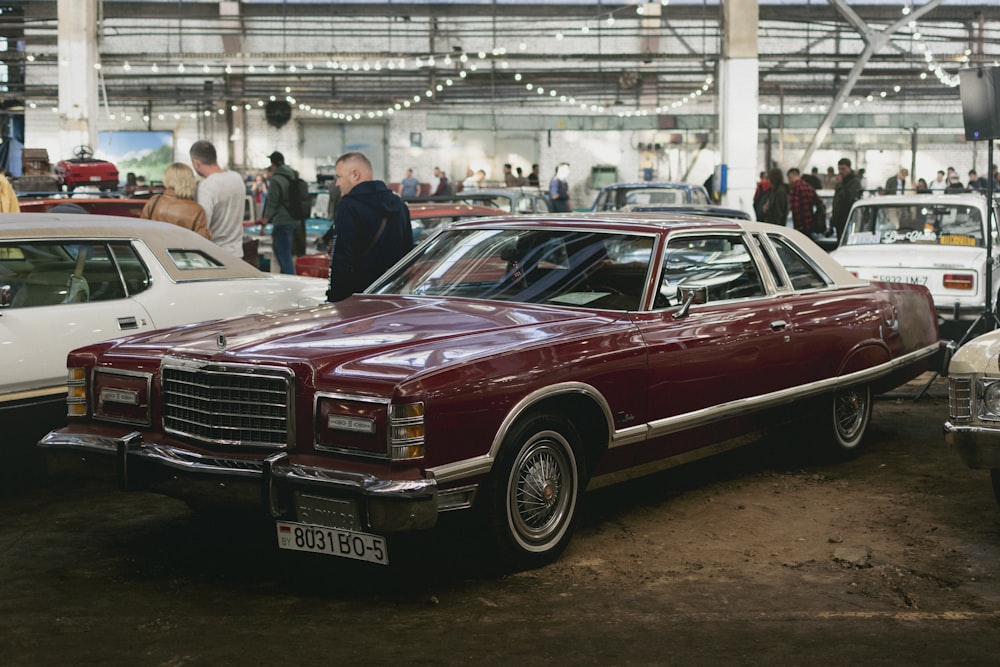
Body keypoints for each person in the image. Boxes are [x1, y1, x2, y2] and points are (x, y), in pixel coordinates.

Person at [327, 152, 413, 302]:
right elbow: (408, 255)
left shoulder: (349, 206)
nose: (337, 184)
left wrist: (336, 299)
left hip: (358, 298)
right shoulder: (399, 205)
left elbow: (342, 258)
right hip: (391, 296)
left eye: (339, 177)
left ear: (355, 174)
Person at [189, 140, 246, 259]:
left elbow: (203, 228)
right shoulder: (236, 178)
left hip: (215, 257)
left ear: (196, 163)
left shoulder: (206, 186)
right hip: (237, 254)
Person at [139, 163, 210, 239]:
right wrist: (208, 235)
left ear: (166, 179)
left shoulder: (154, 200)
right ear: (190, 181)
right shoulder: (197, 210)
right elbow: (202, 242)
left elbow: (141, 229)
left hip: (152, 249)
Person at [261, 151, 303, 274]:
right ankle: (287, 279)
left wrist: (265, 219)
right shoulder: (292, 175)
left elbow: (272, 201)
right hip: (295, 219)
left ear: (273, 163)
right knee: (282, 253)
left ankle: (291, 283)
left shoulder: (276, 179)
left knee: (284, 257)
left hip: (282, 221)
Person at [831, 158, 863, 240]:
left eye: (843, 169)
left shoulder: (854, 182)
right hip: (839, 219)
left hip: (848, 219)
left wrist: (839, 185)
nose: (841, 171)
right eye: (839, 169)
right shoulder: (842, 181)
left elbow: (846, 198)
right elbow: (836, 202)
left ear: (849, 168)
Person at [786, 167, 819, 234]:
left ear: (791, 176)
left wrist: (798, 226)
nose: (788, 181)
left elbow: (796, 208)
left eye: (789, 178)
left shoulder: (795, 188)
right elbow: (819, 202)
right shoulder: (809, 187)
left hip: (800, 226)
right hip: (809, 223)